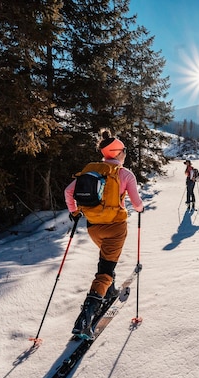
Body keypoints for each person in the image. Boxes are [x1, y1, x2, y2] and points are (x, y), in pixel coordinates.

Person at [64, 129, 144, 338]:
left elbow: (68, 191)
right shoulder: (125, 174)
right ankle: (86, 317)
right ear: (117, 153)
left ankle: (109, 289)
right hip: (116, 227)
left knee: (107, 258)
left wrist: (74, 212)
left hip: (93, 227)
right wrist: (141, 208)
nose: (125, 154)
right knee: (105, 270)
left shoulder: (92, 171)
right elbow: (136, 203)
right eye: (123, 151)